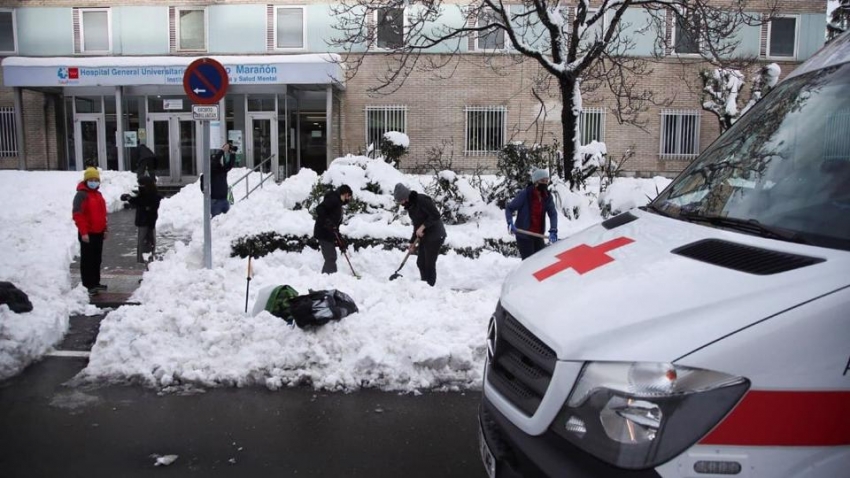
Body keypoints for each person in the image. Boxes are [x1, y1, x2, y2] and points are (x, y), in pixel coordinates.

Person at [393, 183, 446, 287]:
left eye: (401, 200)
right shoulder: (410, 208)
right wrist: (412, 242)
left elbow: (435, 215)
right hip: (425, 237)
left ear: (406, 196)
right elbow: (416, 226)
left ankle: (429, 287)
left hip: (436, 235)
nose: (401, 203)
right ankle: (424, 286)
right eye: (400, 201)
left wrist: (423, 226)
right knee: (421, 262)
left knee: (429, 264)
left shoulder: (422, 200)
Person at [505, 168, 558, 260]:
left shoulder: (547, 197)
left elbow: (553, 214)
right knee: (528, 262)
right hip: (524, 235)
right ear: (535, 182)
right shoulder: (525, 194)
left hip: (538, 235)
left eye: (546, 181)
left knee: (540, 262)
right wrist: (510, 222)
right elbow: (509, 208)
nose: (545, 183)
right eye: (542, 181)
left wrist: (553, 229)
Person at [73, 167, 108, 297]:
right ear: (86, 181)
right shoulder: (81, 195)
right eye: (91, 180)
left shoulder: (98, 195)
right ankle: (88, 285)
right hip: (87, 233)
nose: (93, 182)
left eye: (96, 180)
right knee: (87, 260)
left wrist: (105, 229)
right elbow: (78, 214)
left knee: (96, 259)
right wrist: (83, 232)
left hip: (98, 232)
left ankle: (96, 282)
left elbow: (103, 214)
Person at [121, 175, 162, 267]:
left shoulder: (152, 196)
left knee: (147, 246)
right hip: (143, 224)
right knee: (144, 246)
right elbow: (139, 201)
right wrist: (129, 198)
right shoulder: (145, 194)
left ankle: (150, 268)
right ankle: (147, 268)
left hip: (147, 225)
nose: (140, 187)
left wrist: (150, 229)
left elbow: (143, 203)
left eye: (141, 185)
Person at [313, 185, 354, 274]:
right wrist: (327, 221)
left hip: (329, 233)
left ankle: (330, 277)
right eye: (349, 197)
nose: (349, 200)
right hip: (323, 232)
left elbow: (334, 225)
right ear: (346, 194)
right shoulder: (334, 199)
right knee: (331, 257)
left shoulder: (338, 203)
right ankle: (327, 278)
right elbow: (320, 208)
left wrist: (340, 241)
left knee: (331, 257)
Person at [210, 142, 235, 217]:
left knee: (225, 222)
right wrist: (222, 150)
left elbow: (230, 165)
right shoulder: (212, 170)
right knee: (216, 223)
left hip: (224, 199)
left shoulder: (222, 170)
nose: (221, 161)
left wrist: (232, 154)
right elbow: (214, 162)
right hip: (215, 201)